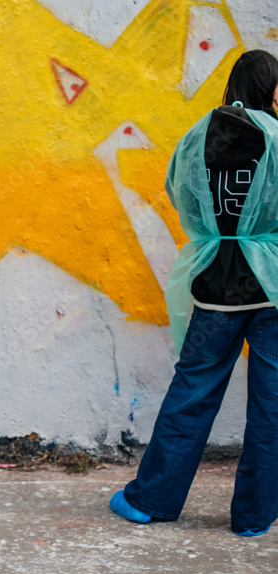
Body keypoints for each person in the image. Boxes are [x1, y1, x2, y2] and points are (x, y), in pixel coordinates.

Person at [110, 50, 278, 536]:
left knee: (192, 390)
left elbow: (175, 187)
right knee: (271, 405)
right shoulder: (275, 137)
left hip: (216, 282)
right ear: (269, 88)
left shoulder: (200, 134)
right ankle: (253, 516)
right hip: (271, 287)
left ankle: (150, 500)